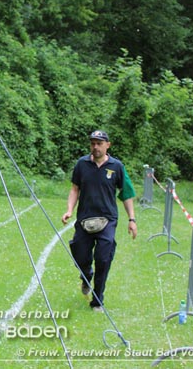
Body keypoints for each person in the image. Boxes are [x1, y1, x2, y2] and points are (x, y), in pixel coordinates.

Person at [61, 130, 137, 312]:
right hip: (84, 219)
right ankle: (86, 275)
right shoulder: (82, 164)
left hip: (108, 220)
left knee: (103, 258)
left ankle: (97, 300)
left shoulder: (116, 166)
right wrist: (69, 210)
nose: (95, 146)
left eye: (99, 143)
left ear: (107, 145)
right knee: (80, 254)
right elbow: (74, 189)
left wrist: (132, 219)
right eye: (93, 143)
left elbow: (126, 194)